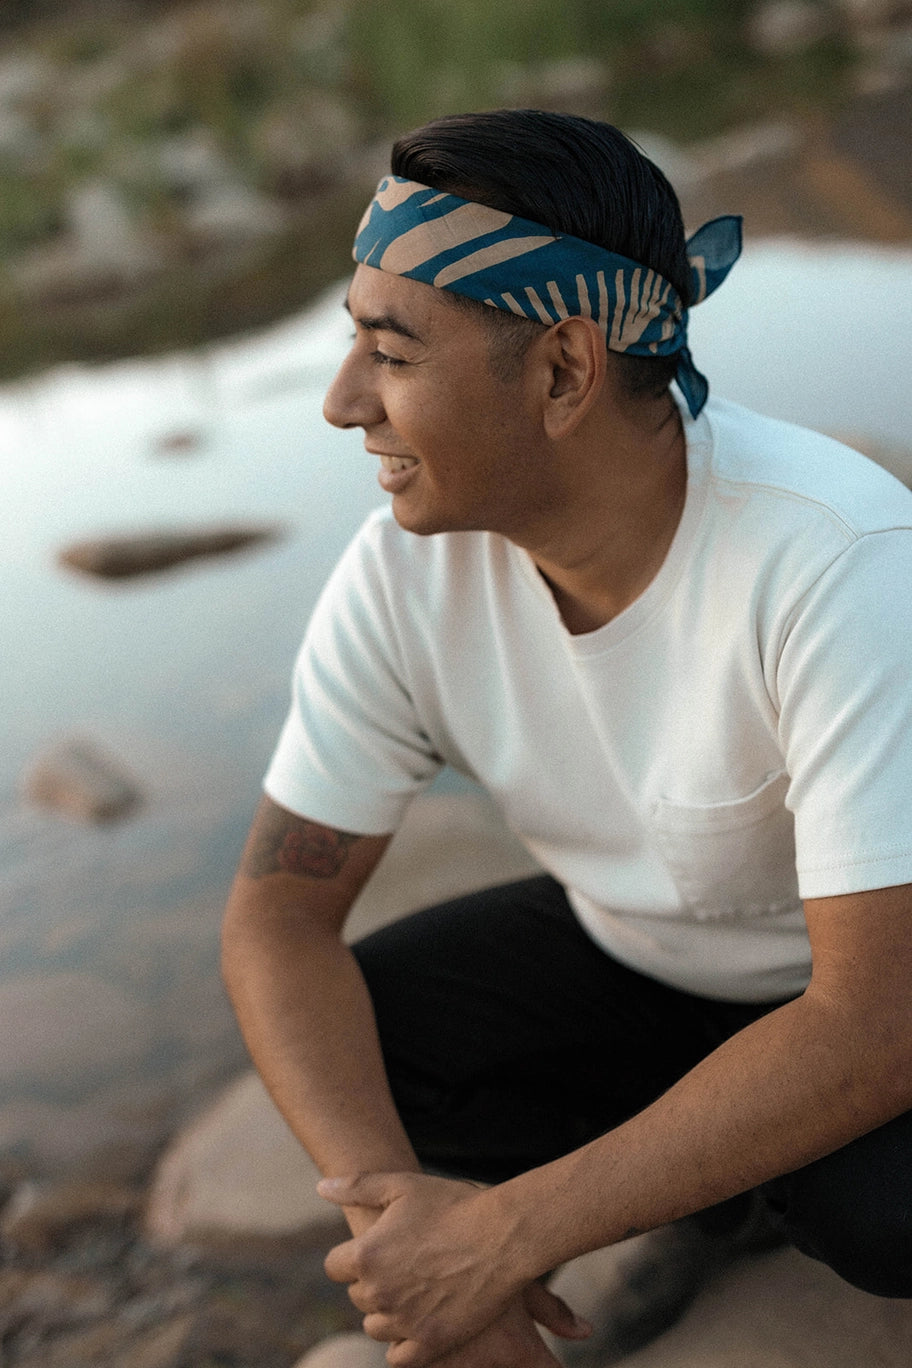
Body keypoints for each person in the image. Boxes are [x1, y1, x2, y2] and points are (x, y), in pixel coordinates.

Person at [222, 108, 912, 1368]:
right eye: (350, 345)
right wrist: (413, 1250)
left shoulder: (837, 562)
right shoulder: (402, 576)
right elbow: (276, 921)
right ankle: (710, 1189)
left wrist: (503, 1238)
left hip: (864, 999)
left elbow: (875, 1021)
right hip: (643, 964)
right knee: (373, 1049)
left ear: (562, 372)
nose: (340, 405)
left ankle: (745, 1191)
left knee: (886, 1214)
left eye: (391, 353)